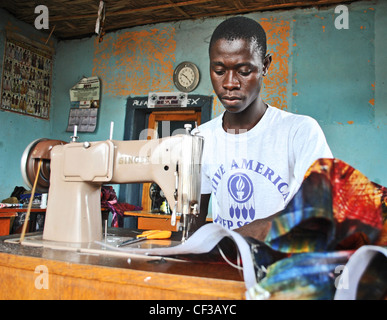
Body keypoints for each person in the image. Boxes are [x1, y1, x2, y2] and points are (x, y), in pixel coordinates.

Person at [193, 16, 333, 240]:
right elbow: (193, 220)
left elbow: (322, 208)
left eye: (244, 71)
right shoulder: (201, 138)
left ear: (265, 65)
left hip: (283, 263)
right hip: (227, 266)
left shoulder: (300, 131)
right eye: (219, 71)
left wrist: (232, 239)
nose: (230, 83)